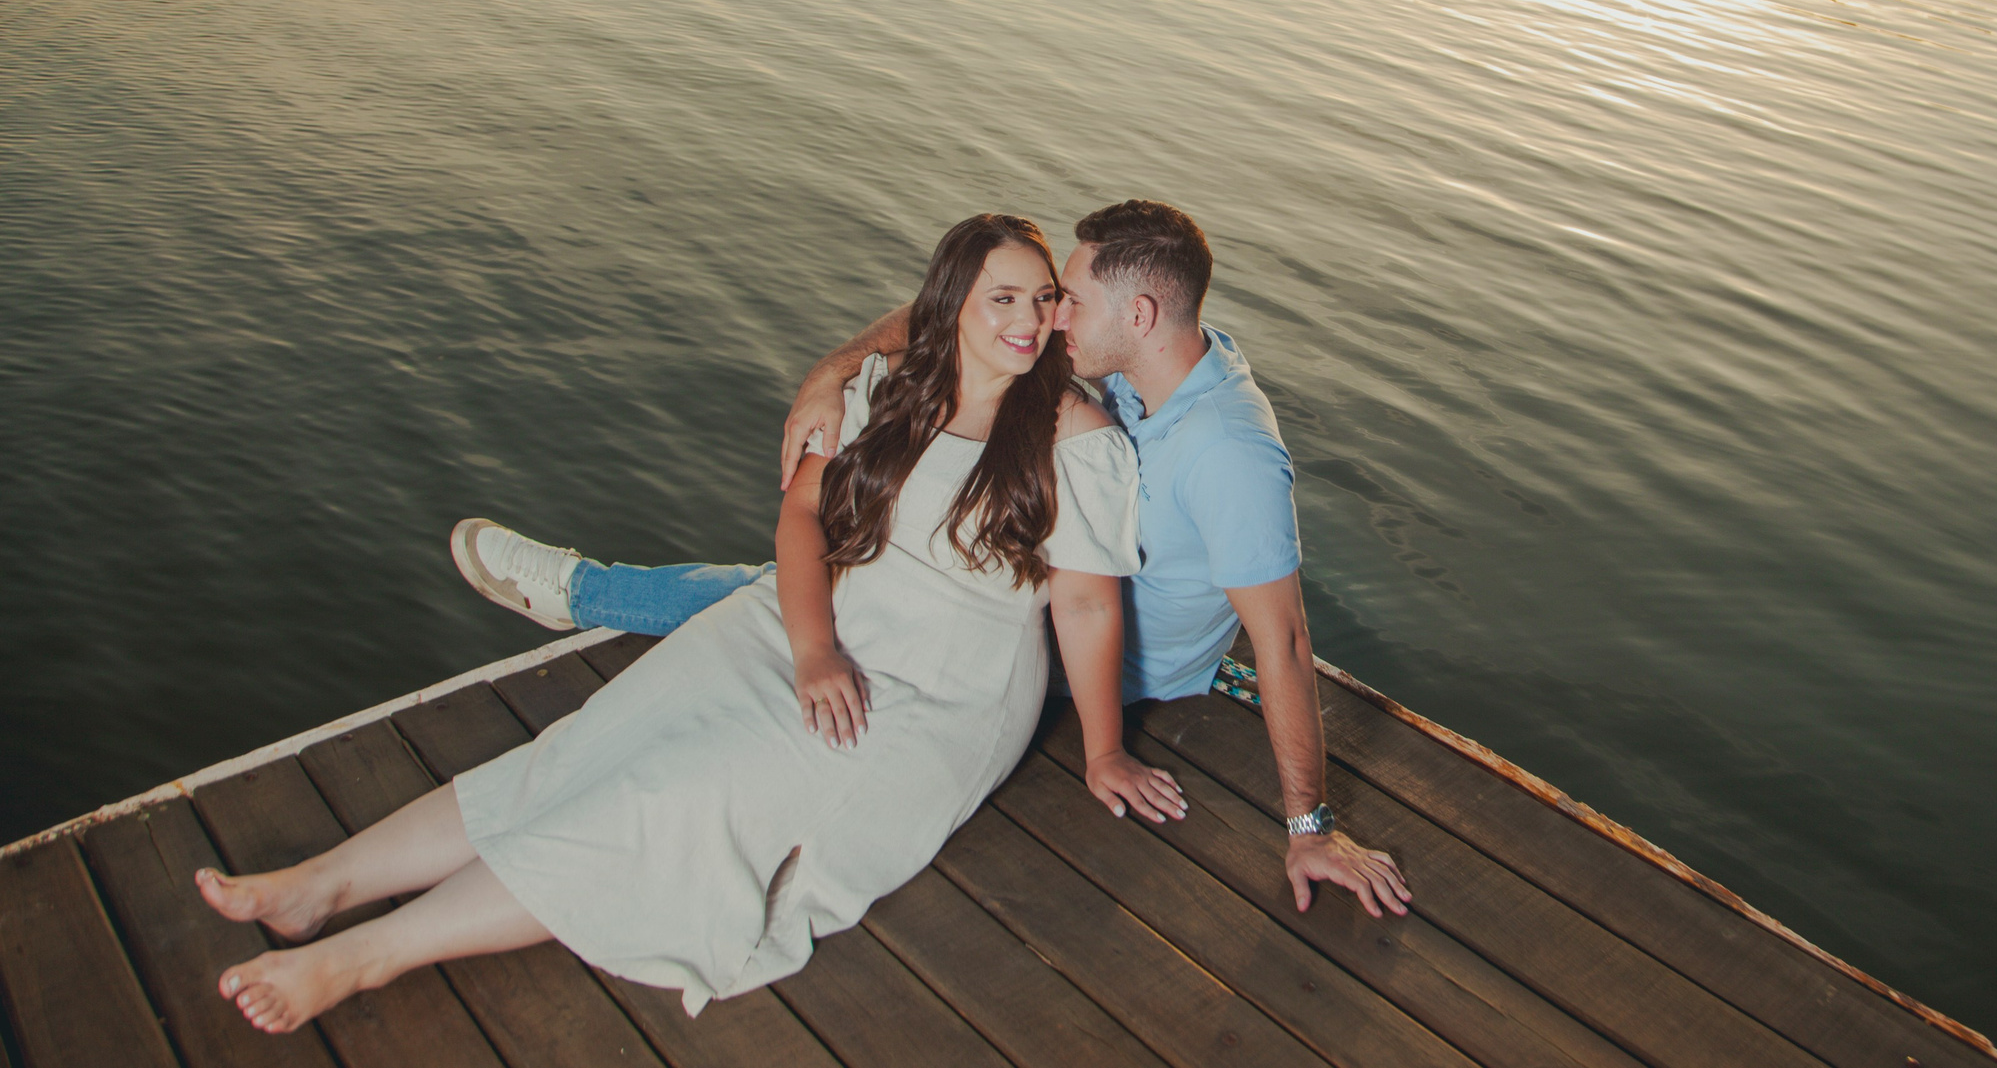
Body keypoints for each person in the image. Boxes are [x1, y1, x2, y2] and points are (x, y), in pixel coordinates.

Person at [196, 214, 1177, 1034]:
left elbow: (1087, 604)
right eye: (1000, 297)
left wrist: (1101, 751)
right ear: (949, 308)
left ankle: (366, 956)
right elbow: (800, 518)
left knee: (672, 791)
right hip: (813, 623)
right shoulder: (887, 389)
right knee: (598, 742)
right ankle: (323, 882)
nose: (1029, 317)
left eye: (1043, 297)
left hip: (940, 687)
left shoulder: (1074, 441)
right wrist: (812, 644)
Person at [453, 199, 1411, 918]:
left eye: (1065, 301)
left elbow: (1282, 638)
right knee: (839, 562)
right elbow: (948, 315)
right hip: (1040, 572)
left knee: (805, 596)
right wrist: (828, 377)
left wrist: (1310, 829)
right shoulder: (1154, 356)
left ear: (1143, 312)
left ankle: (584, 590)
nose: (1051, 318)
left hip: (1068, 652)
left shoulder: (1229, 453)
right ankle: (602, 589)